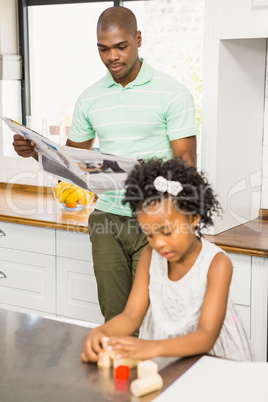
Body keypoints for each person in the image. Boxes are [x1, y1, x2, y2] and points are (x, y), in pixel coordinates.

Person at [12, 6, 197, 323]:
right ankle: (124, 372)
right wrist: (34, 150)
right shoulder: (91, 98)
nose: (112, 56)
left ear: (138, 39)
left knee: (154, 317)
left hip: (156, 218)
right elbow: (71, 159)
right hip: (106, 220)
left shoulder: (173, 94)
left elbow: (187, 165)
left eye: (121, 46)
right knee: (115, 317)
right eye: (103, 48)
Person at [81, 157, 255, 362]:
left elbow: (206, 335)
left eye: (167, 231)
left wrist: (151, 348)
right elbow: (131, 316)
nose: (159, 243)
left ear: (194, 218)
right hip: (167, 355)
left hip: (213, 359)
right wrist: (101, 332)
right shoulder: (149, 257)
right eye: (150, 235)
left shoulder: (216, 264)